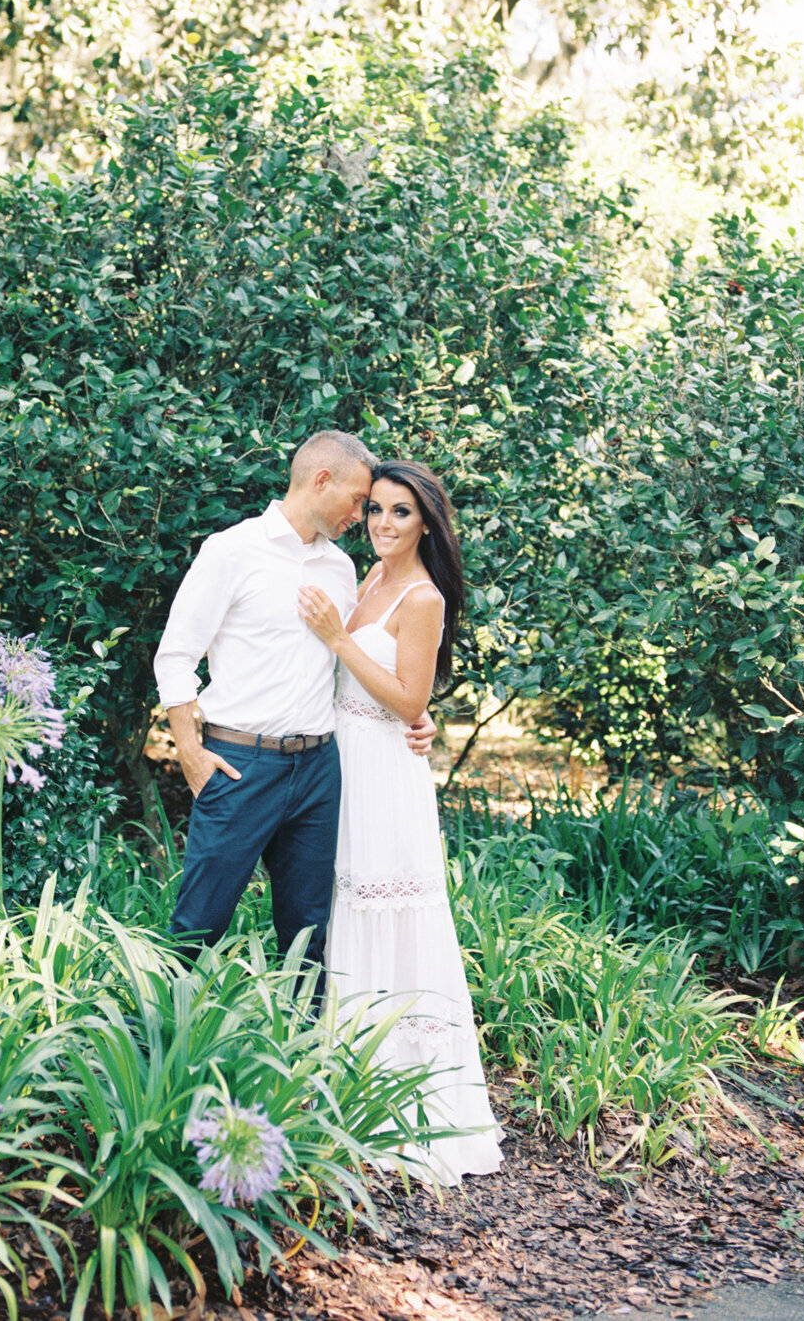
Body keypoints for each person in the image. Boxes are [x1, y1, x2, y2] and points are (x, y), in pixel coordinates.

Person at [153, 430, 436, 985]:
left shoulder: (340, 568)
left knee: (308, 931)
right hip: (240, 764)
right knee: (199, 923)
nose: (364, 514)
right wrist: (189, 751)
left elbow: (354, 660)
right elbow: (175, 656)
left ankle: (300, 1057)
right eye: (359, 500)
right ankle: (150, 1054)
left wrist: (417, 712)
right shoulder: (232, 551)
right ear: (321, 480)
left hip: (319, 770)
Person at [298, 460, 503, 1183]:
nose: (384, 523)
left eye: (400, 513)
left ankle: (405, 1109)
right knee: (343, 910)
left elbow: (406, 695)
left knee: (384, 909)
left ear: (426, 523)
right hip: (342, 762)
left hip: (385, 774)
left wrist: (337, 637)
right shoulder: (367, 577)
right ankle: (349, 1089)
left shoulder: (420, 595)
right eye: (377, 509)